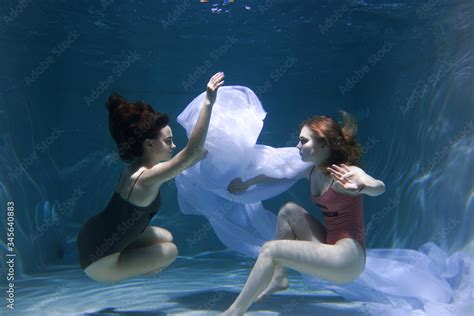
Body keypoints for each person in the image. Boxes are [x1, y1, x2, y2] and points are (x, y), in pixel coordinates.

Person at [221, 112, 386, 315]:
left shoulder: (346, 173)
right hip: (329, 248)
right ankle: (279, 278)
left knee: (270, 250)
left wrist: (361, 185)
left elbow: (379, 187)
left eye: (303, 141)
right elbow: (276, 176)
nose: (298, 146)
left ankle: (234, 312)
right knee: (289, 211)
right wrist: (246, 183)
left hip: (348, 258)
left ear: (323, 144)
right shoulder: (311, 171)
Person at [76, 72, 225, 283]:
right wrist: (209, 100)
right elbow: (189, 153)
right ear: (149, 144)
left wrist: (195, 158)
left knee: (165, 236)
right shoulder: (147, 178)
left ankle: (130, 256)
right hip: (98, 263)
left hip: (89, 236)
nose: (173, 146)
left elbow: (182, 162)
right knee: (170, 251)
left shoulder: (134, 168)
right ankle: (125, 266)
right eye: (169, 141)